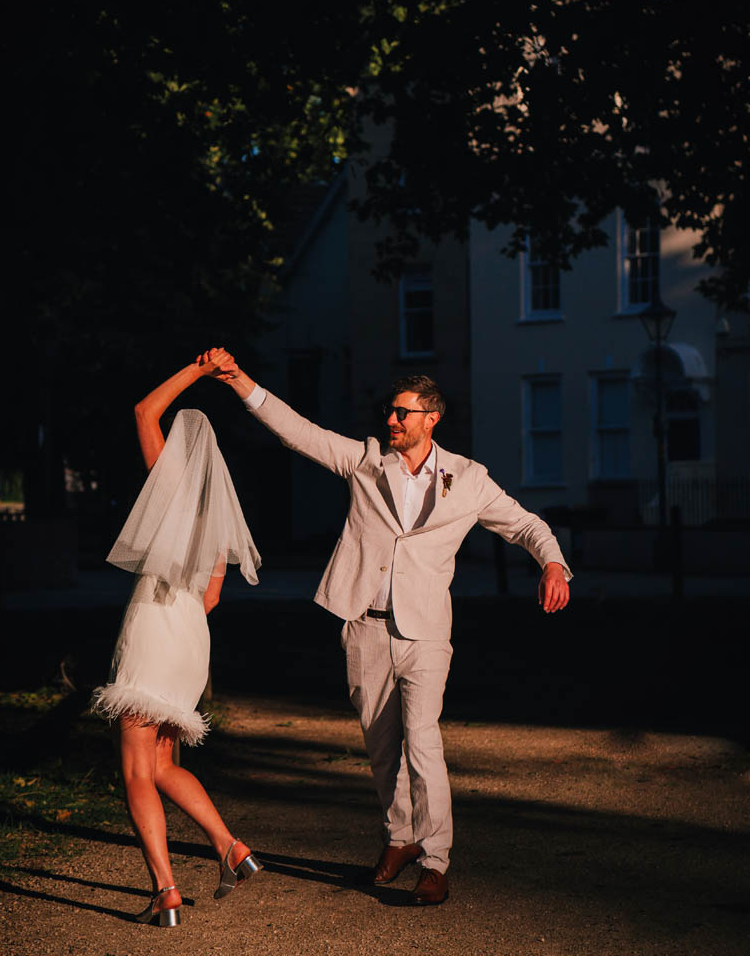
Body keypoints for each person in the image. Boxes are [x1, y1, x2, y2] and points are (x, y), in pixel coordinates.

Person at [208, 350, 571, 906]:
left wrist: (552, 562)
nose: (391, 421)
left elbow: (524, 524)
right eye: (389, 412)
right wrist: (239, 381)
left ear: (432, 419)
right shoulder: (365, 461)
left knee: (423, 743)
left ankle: (435, 861)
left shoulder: (469, 479)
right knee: (381, 750)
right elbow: (297, 432)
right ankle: (399, 839)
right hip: (364, 627)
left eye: (402, 413)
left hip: (425, 633)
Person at [91, 351, 263, 927]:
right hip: (192, 634)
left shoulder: (166, 496)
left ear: (175, 464)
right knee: (162, 761)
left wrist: (198, 370)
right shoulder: (216, 525)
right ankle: (230, 847)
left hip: (154, 626)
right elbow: (212, 598)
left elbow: (144, 410)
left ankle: (165, 890)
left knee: (137, 768)